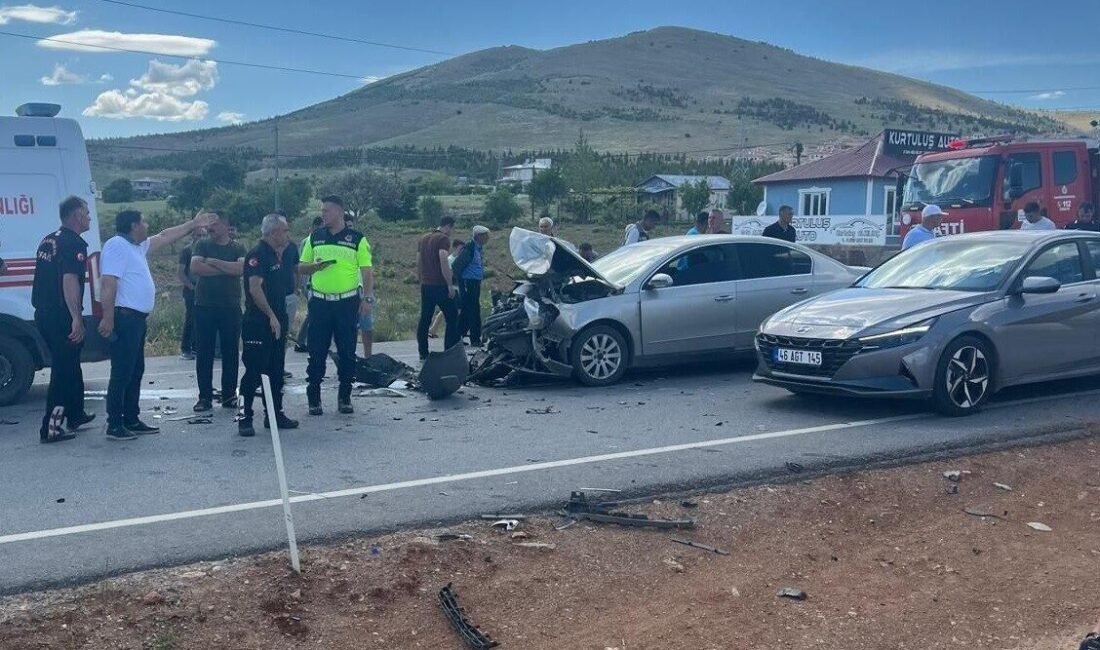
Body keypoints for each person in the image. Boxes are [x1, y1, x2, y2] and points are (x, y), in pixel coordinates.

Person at [98, 210, 214, 441]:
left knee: (135, 371)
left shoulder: (136, 246)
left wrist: (192, 224)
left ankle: (131, 418)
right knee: (122, 373)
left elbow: (164, 236)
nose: (147, 224)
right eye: (143, 221)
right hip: (125, 318)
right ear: (133, 225)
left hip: (136, 320)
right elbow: (108, 283)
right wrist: (107, 317)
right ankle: (115, 424)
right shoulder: (116, 246)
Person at [299, 196, 373, 416]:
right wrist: (315, 267)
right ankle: (314, 398)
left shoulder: (357, 239)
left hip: (347, 303)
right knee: (317, 351)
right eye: (322, 211)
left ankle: (345, 397)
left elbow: (367, 270)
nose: (323, 215)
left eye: (327, 211)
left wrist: (367, 299)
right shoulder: (314, 238)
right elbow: (302, 267)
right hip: (320, 303)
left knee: (347, 351)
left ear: (340, 212)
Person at [32, 196, 94, 443]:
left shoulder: (50, 239)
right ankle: (51, 427)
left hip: (45, 312)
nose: (89, 217)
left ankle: (75, 413)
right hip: (61, 315)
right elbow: (69, 281)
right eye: (87, 213)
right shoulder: (73, 243)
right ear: (77, 215)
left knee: (71, 363)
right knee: (63, 369)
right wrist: (76, 318)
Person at [237, 215, 299, 437]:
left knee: (275, 370)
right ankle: (244, 417)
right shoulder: (257, 254)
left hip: (277, 319)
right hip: (258, 321)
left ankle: (274, 414)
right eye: (285, 230)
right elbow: (255, 288)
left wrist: (279, 317)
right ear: (273, 233)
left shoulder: (277, 255)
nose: (288, 235)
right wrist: (271, 316)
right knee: (254, 370)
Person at [189, 212, 246, 412]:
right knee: (204, 352)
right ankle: (204, 397)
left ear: (225, 225)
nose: (210, 227)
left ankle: (229, 394)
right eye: (209, 224)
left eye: (214, 224)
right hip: (204, 305)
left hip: (230, 306)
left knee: (231, 352)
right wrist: (226, 269)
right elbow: (196, 268)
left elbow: (241, 270)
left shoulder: (238, 247)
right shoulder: (202, 244)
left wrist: (215, 263)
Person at [416, 216, 460, 361]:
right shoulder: (443, 239)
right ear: (448, 226)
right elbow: (443, 259)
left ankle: (423, 352)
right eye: (452, 229)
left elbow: (418, 260)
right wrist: (449, 285)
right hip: (439, 285)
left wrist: (420, 279)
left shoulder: (423, 238)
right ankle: (449, 349)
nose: (452, 232)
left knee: (425, 318)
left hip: (426, 285)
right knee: (452, 315)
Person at [454, 225, 490, 347]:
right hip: (468, 283)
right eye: (485, 235)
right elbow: (456, 266)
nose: (487, 238)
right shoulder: (469, 248)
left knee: (467, 310)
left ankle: (457, 336)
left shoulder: (478, 249)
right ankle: (475, 339)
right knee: (474, 309)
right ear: (479, 236)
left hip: (474, 282)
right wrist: (461, 284)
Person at [293, 216, 324, 353]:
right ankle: (302, 341)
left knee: (313, 313)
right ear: (313, 228)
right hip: (309, 281)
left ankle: (303, 341)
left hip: (314, 281)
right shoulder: (309, 241)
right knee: (313, 312)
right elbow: (301, 264)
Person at [177, 228, 204, 361]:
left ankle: (197, 347)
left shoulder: (207, 250)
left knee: (202, 320)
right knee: (191, 319)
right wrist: (191, 286)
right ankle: (186, 348)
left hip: (205, 290)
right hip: (191, 290)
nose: (200, 237)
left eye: (203, 235)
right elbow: (181, 272)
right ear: (193, 235)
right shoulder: (187, 251)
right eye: (198, 235)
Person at [430, 240, 465, 338]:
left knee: (448, 310)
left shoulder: (460, 260)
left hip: (458, 287)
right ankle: (454, 333)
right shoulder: (450, 260)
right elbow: (449, 274)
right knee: (456, 311)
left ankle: (433, 329)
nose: (462, 251)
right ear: (455, 248)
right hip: (453, 287)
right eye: (460, 248)